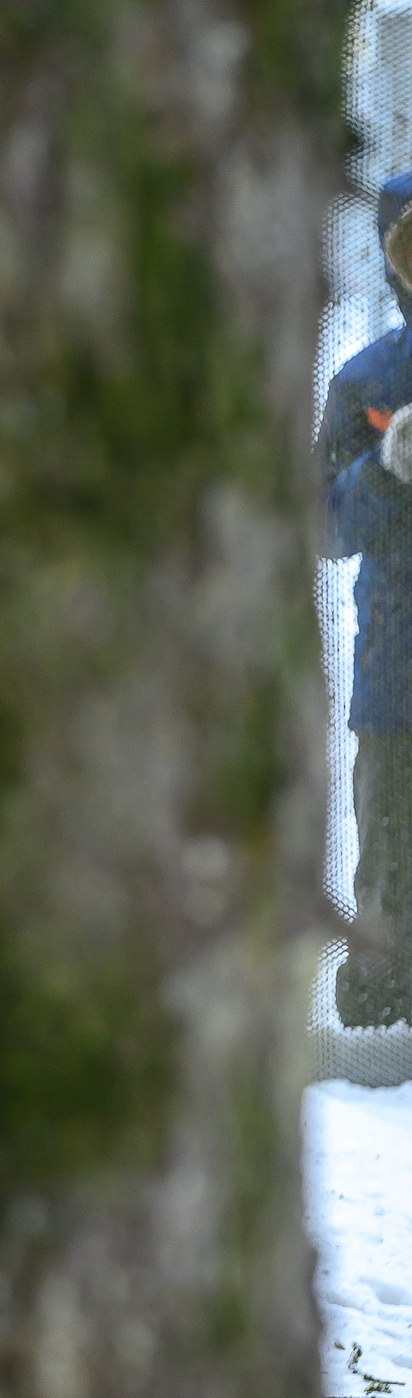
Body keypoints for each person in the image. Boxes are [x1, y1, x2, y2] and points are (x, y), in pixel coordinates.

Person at [323, 173, 412, 1028]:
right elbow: (317, 522)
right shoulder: (367, 382)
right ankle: (382, 1055)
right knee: (389, 882)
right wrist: (385, 472)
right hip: (398, 686)